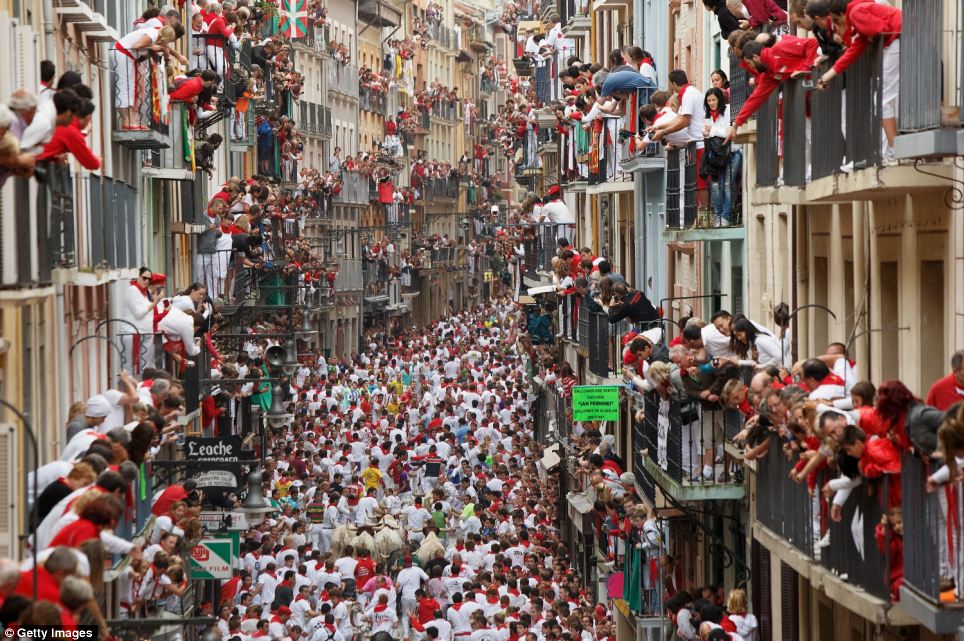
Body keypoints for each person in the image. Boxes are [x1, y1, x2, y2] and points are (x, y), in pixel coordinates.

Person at [809, 0, 902, 162]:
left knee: (882, 101)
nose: (836, 28)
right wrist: (827, 76)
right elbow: (853, 51)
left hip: (897, 40)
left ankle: (896, 152)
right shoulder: (857, 15)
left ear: (840, 14)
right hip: (898, 40)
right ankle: (895, 150)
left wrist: (867, 35)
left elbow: (881, 29)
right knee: (883, 100)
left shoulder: (855, 13)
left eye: (836, 22)